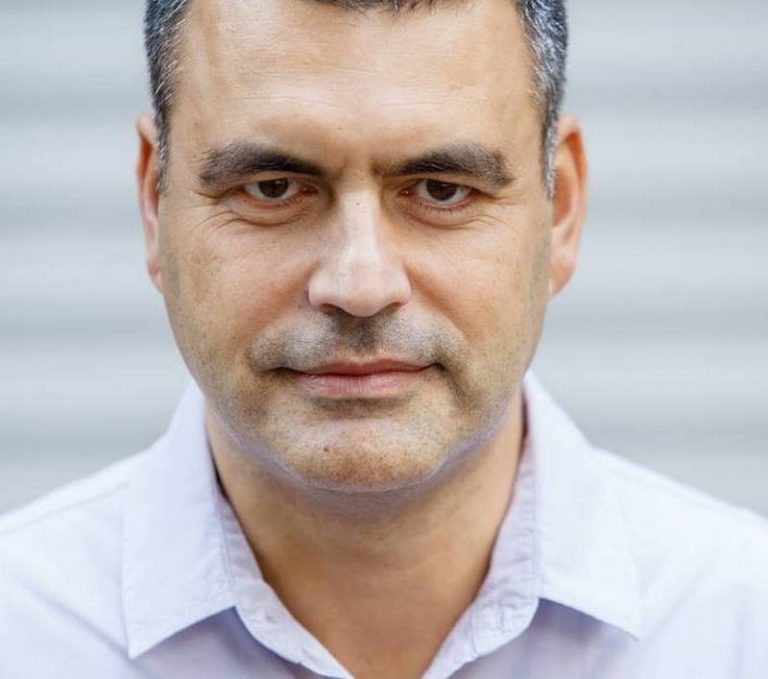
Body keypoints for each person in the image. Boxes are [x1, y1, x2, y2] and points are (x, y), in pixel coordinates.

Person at [1, 0, 767, 677]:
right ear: (153, 203)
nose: (360, 284)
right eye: (272, 188)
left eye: (441, 190)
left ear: (560, 209)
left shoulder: (741, 628)